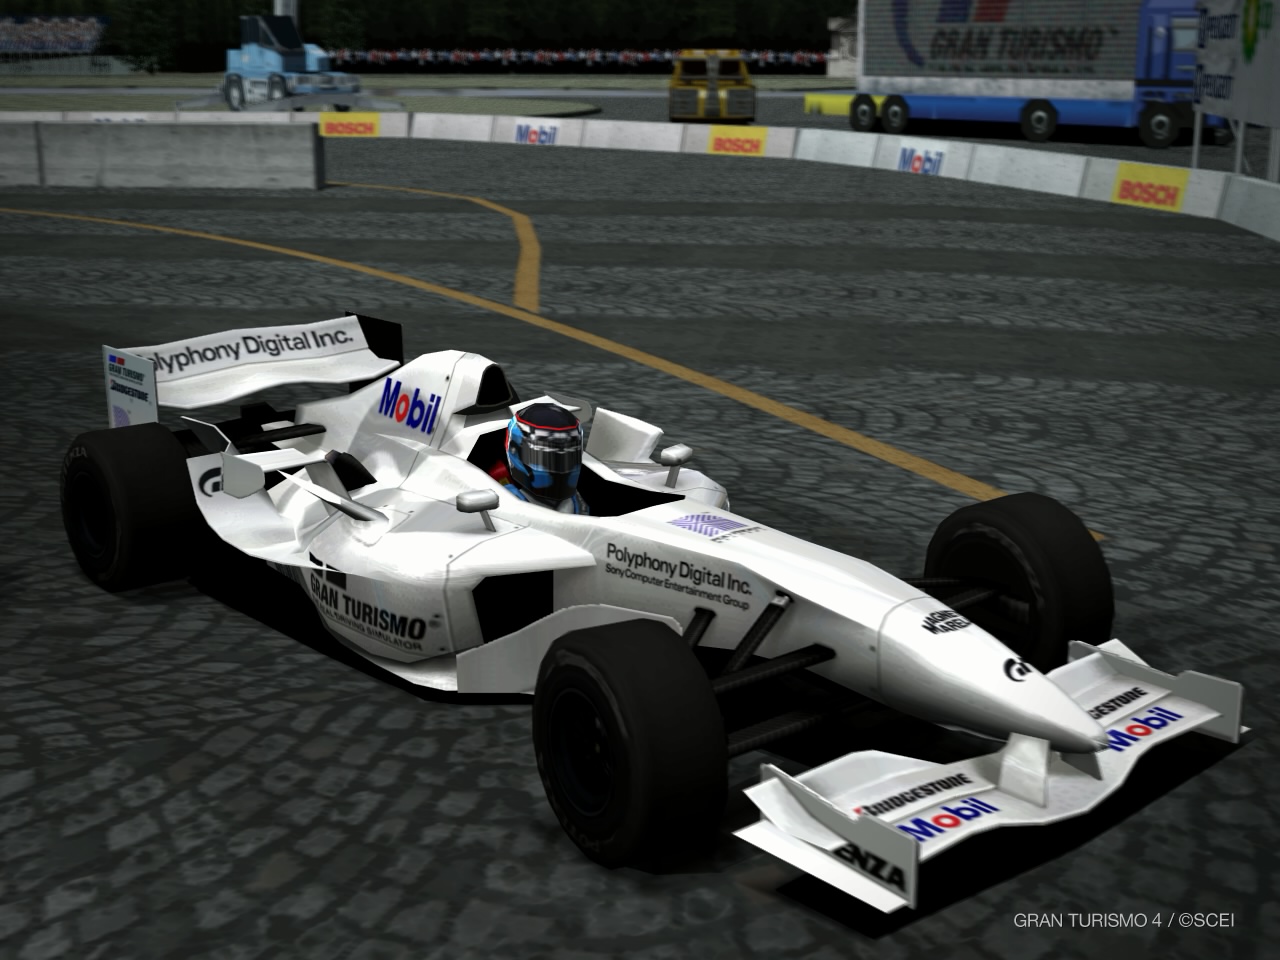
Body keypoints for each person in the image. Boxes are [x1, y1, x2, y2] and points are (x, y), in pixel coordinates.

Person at [489, 402, 589, 514]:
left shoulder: (575, 501)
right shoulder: (503, 501)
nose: (561, 469)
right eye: (547, 459)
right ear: (515, 449)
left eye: (568, 457)